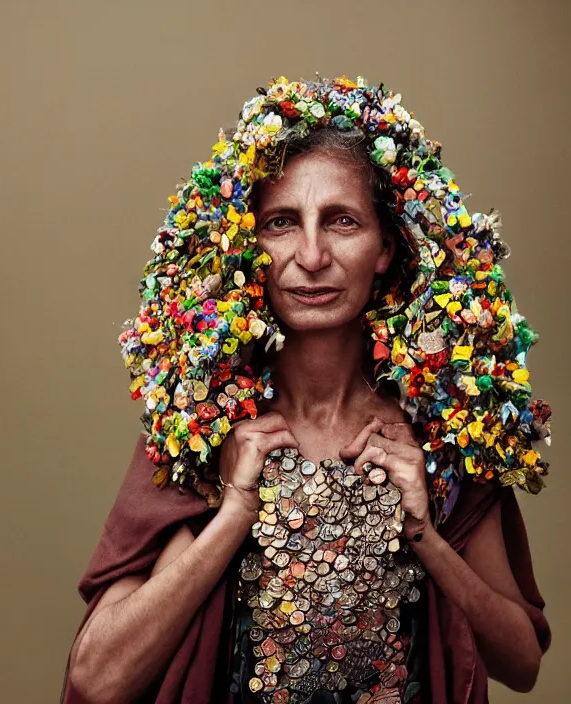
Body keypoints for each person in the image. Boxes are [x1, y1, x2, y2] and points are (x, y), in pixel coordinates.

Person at [59, 76, 552, 704]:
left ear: (386, 248)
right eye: (282, 223)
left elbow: (522, 663)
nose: (312, 255)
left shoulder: (440, 432)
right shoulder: (203, 430)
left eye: (342, 221)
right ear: (246, 245)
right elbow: (97, 678)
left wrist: (426, 533)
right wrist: (234, 510)